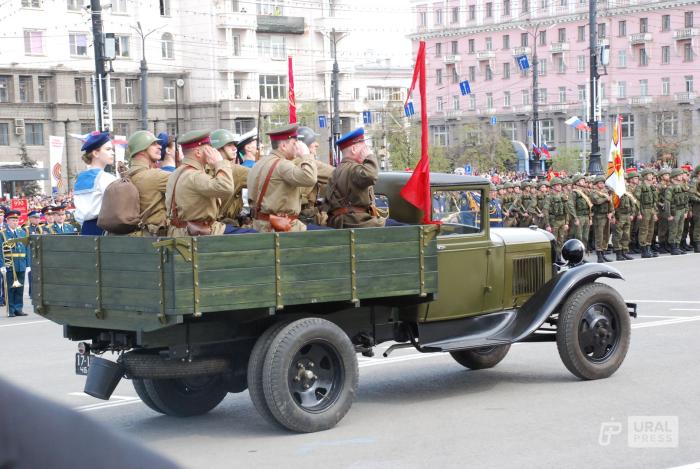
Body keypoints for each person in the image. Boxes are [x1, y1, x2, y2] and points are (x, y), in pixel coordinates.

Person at [247, 124, 317, 233]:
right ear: (283, 146)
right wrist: (306, 155)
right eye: (294, 143)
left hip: (261, 225)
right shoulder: (282, 165)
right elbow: (310, 178)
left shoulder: (258, 164)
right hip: (282, 228)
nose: (297, 146)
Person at [165, 130, 234, 236]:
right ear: (198, 152)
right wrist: (220, 163)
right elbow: (226, 187)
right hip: (200, 233)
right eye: (209, 148)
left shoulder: (177, 173)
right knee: (255, 236)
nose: (213, 150)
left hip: (181, 232)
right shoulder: (194, 175)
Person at [326, 128, 386, 229]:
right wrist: (369, 157)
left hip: (343, 221)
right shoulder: (353, 169)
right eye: (364, 148)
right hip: (357, 222)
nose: (366, 151)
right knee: (404, 229)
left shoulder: (337, 171)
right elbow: (371, 175)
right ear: (354, 149)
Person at [125, 130, 170, 236]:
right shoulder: (158, 176)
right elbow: (190, 186)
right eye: (153, 144)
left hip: (132, 236)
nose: (159, 147)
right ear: (141, 150)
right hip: (154, 239)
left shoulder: (125, 175)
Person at [74, 131, 118, 235]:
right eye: (108, 149)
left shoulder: (79, 178)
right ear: (96, 153)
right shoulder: (107, 178)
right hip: (104, 229)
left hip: (85, 228)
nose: (113, 152)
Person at [210, 128, 253, 231]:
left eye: (234, 145)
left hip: (212, 226)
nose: (235, 148)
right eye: (229, 145)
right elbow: (261, 177)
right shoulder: (235, 170)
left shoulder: (205, 167)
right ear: (218, 148)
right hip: (224, 226)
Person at [296, 126, 334, 227]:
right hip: (305, 217)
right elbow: (337, 174)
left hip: (300, 215)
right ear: (305, 145)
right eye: (313, 141)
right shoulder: (309, 164)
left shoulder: (292, 161)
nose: (317, 144)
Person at [1, 210, 29, 317]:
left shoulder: (22, 232)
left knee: (19, 288)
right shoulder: (3, 234)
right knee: (10, 288)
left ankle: (18, 308)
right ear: (7, 221)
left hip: (21, 263)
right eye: (13, 220)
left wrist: (28, 264)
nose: (15, 222)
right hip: (9, 264)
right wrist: (2, 264)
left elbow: (26, 248)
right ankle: (11, 310)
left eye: (16, 220)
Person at [543, 177, 573, 262]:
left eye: (560, 185)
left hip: (562, 221)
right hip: (554, 222)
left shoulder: (563, 196)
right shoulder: (549, 197)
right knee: (553, 241)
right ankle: (553, 259)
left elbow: (567, 210)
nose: (560, 187)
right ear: (553, 186)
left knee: (561, 240)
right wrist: (547, 225)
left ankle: (559, 257)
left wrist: (567, 223)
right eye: (557, 185)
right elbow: (546, 212)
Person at [611, 177, 638, 261]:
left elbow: (632, 204)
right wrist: (613, 217)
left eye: (625, 181)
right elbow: (612, 206)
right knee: (618, 235)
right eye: (623, 181)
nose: (625, 182)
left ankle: (624, 252)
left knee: (626, 235)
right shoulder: (616, 193)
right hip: (619, 216)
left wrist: (632, 214)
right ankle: (618, 253)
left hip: (627, 216)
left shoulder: (627, 193)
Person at [635, 168, 659, 258]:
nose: (651, 176)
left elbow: (654, 202)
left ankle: (648, 248)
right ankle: (644, 250)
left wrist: (655, 213)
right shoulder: (640, 187)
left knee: (651, 230)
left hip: (651, 210)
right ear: (645, 176)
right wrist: (639, 213)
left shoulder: (652, 187)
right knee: (644, 230)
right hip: (644, 210)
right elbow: (637, 201)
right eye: (649, 174)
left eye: (651, 174)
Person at [590, 176, 614, 263]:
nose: (602, 184)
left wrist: (611, 212)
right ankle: (599, 256)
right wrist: (606, 198)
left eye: (603, 183)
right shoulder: (593, 193)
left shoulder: (605, 192)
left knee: (606, 235)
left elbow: (610, 203)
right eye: (600, 183)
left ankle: (603, 253)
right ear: (596, 184)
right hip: (598, 217)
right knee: (599, 236)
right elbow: (597, 201)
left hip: (606, 216)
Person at [667, 168, 689, 255]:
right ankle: (673, 248)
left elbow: (686, 199)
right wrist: (669, 214)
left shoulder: (682, 186)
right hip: (674, 211)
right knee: (674, 229)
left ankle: (677, 246)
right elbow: (667, 202)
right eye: (679, 175)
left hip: (682, 210)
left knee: (680, 229)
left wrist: (686, 211)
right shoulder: (670, 188)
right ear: (674, 177)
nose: (681, 176)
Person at [570, 175, 592, 249]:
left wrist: (590, 217)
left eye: (583, 180)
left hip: (586, 216)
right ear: (577, 182)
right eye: (581, 180)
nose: (583, 182)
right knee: (578, 236)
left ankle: (583, 254)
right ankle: (577, 253)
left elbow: (590, 205)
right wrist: (575, 218)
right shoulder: (574, 193)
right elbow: (571, 206)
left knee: (585, 237)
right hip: (579, 216)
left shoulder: (586, 191)